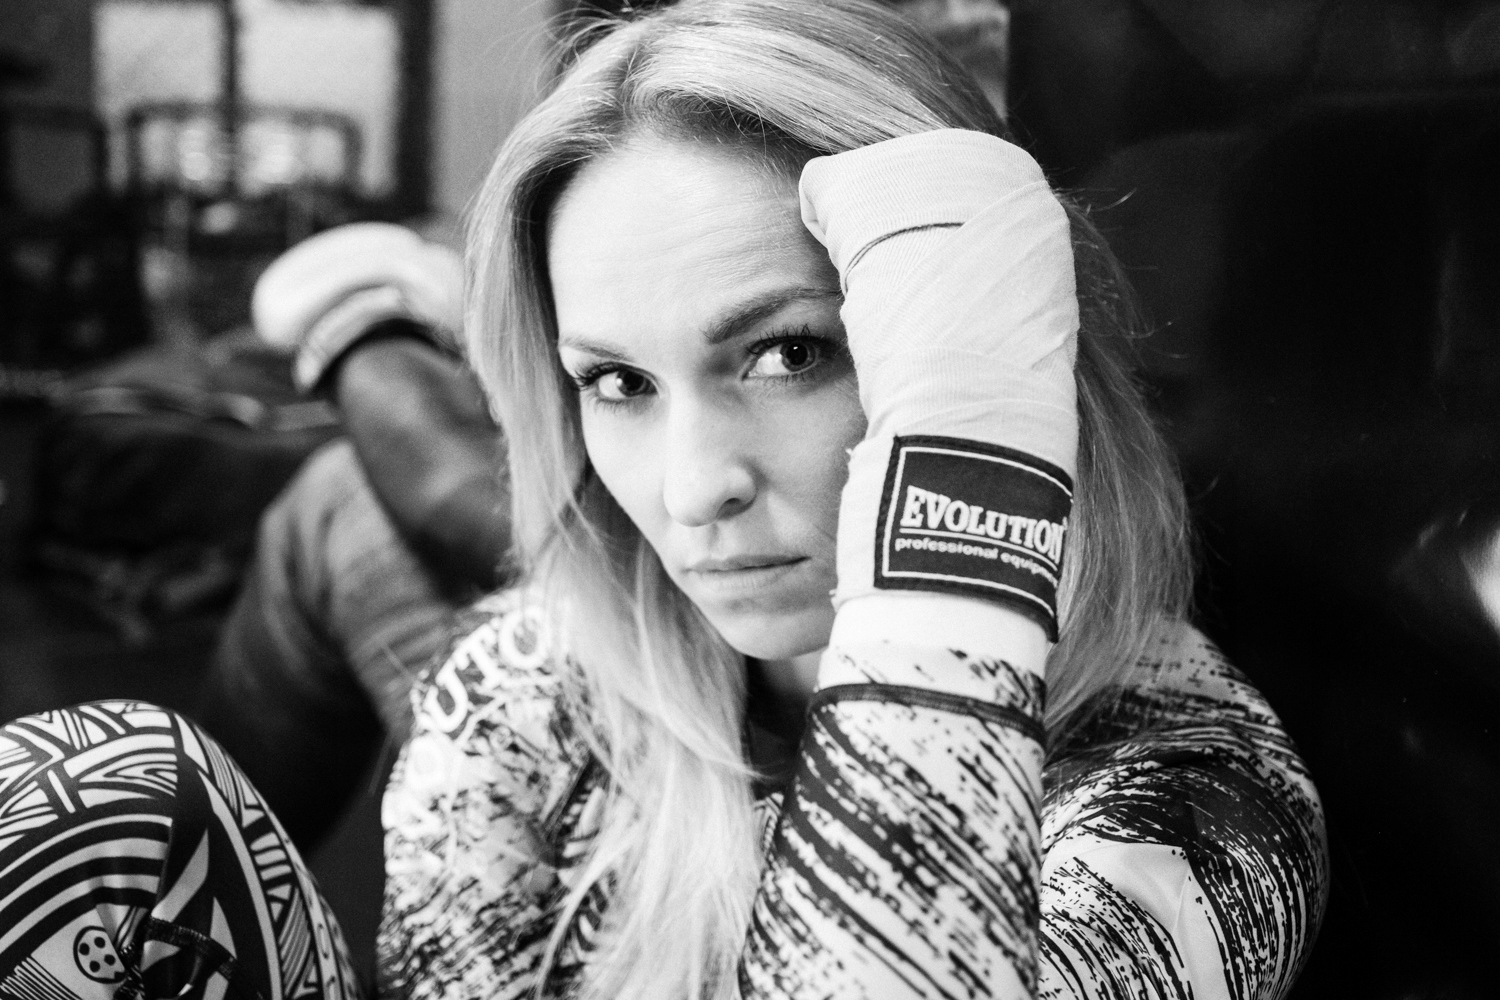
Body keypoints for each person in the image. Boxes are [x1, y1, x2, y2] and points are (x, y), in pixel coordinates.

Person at [0, 1, 1328, 997]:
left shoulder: (1188, 807)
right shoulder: (526, 693)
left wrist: (959, 508)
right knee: (109, 802)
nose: (693, 491)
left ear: (968, 361)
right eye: (618, 382)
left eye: (789, 354)